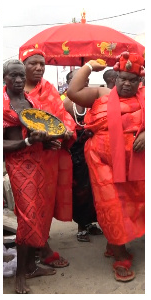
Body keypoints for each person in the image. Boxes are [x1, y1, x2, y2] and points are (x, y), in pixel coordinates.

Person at [67, 52, 145, 282]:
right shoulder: (102, 93)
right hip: (102, 161)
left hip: (136, 164)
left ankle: (114, 242)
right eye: (123, 78)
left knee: (131, 204)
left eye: (133, 79)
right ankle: (120, 256)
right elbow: (73, 93)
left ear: (140, 81)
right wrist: (89, 67)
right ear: (115, 78)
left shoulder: (145, 97)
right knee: (112, 204)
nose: (127, 83)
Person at [4, 59, 69, 294]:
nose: (19, 80)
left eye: (22, 76)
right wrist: (27, 141)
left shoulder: (30, 101)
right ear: (5, 79)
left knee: (40, 216)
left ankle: (31, 266)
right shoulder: (3, 105)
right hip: (20, 166)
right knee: (28, 218)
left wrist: (48, 142)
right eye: (14, 76)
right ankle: (19, 277)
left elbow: (38, 128)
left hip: (39, 162)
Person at [21, 49, 75, 271]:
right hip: (24, 158)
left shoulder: (49, 89)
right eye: (33, 63)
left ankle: (40, 243)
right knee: (29, 206)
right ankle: (41, 248)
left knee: (45, 204)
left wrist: (67, 131)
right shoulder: (14, 92)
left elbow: (62, 117)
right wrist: (36, 141)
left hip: (50, 158)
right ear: (23, 65)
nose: (39, 68)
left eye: (42, 64)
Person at [63, 69, 103, 242]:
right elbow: (63, 126)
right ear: (69, 83)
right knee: (80, 189)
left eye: (85, 79)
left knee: (97, 188)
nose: (83, 82)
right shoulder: (64, 103)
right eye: (76, 79)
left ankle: (91, 223)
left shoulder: (94, 100)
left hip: (96, 148)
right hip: (76, 151)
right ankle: (81, 226)